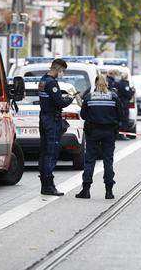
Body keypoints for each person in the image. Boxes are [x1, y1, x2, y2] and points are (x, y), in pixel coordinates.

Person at [76, 75, 123, 200]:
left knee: (90, 160)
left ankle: (86, 190)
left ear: (95, 83)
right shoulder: (113, 97)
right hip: (109, 132)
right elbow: (120, 114)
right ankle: (109, 191)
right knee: (108, 160)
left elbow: (83, 115)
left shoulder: (89, 97)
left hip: (93, 132)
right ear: (106, 84)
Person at [38, 58, 75, 196]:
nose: (62, 73)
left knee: (44, 152)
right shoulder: (52, 83)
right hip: (52, 120)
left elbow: (50, 98)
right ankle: (49, 185)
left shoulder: (43, 80)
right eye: (62, 71)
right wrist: (70, 98)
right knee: (51, 153)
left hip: (43, 118)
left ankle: (44, 184)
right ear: (58, 69)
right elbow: (59, 103)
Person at [115, 71, 134, 140]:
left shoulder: (117, 83)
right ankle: (122, 135)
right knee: (124, 120)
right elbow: (128, 94)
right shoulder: (125, 84)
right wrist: (132, 91)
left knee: (119, 119)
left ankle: (118, 134)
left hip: (119, 104)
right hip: (124, 104)